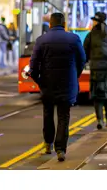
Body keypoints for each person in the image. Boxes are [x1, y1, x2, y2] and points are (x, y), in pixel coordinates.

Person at [28, 13, 86, 162]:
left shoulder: (41, 40)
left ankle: (48, 143)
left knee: (48, 114)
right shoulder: (74, 39)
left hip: (48, 84)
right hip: (67, 84)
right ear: (64, 24)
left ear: (50, 24)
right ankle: (60, 150)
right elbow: (82, 60)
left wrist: (39, 81)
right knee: (63, 116)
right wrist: (75, 75)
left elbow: (33, 66)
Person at [83, 12, 107, 130]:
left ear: (96, 22)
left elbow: (84, 51)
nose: (93, 22)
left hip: (96, 68)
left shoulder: (90, 35)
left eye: (94, 20)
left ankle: (100, 120)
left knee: (97, 95)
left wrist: (90, 61)